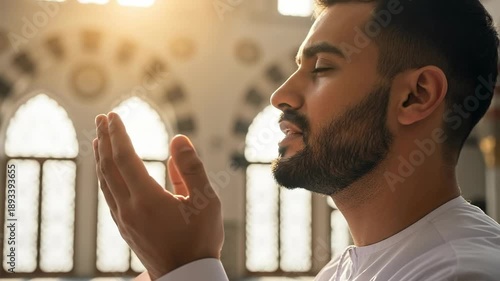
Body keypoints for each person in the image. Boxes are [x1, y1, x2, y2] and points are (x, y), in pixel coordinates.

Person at [92, 0, 500, 280]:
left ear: (416, 96)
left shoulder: (462, 271)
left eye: (321, 68)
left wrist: (186, 267)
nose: (281, 95)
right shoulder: (342, 269)